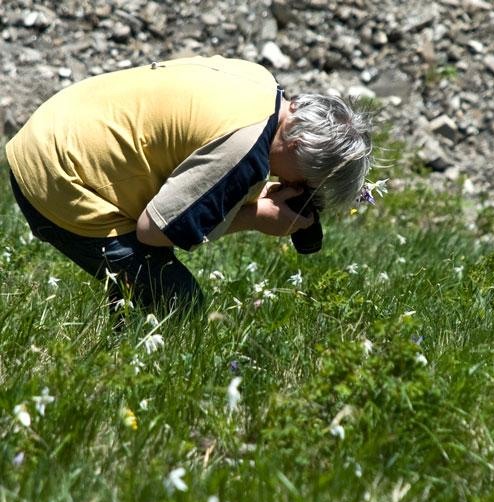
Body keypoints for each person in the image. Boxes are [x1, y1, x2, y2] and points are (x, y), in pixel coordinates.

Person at [4, 55, 373, 319]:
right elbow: (154, 231)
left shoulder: (258, 80)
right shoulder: (245, 150)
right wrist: (256, 217)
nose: (293, 185)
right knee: (179, 306)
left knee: (147, 284)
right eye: (305, 180)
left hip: (57, 123)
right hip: (57, 175)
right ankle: (118, 370)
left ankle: (114, 336)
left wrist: (243, 195)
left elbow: (189, 144)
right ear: (297, 145)